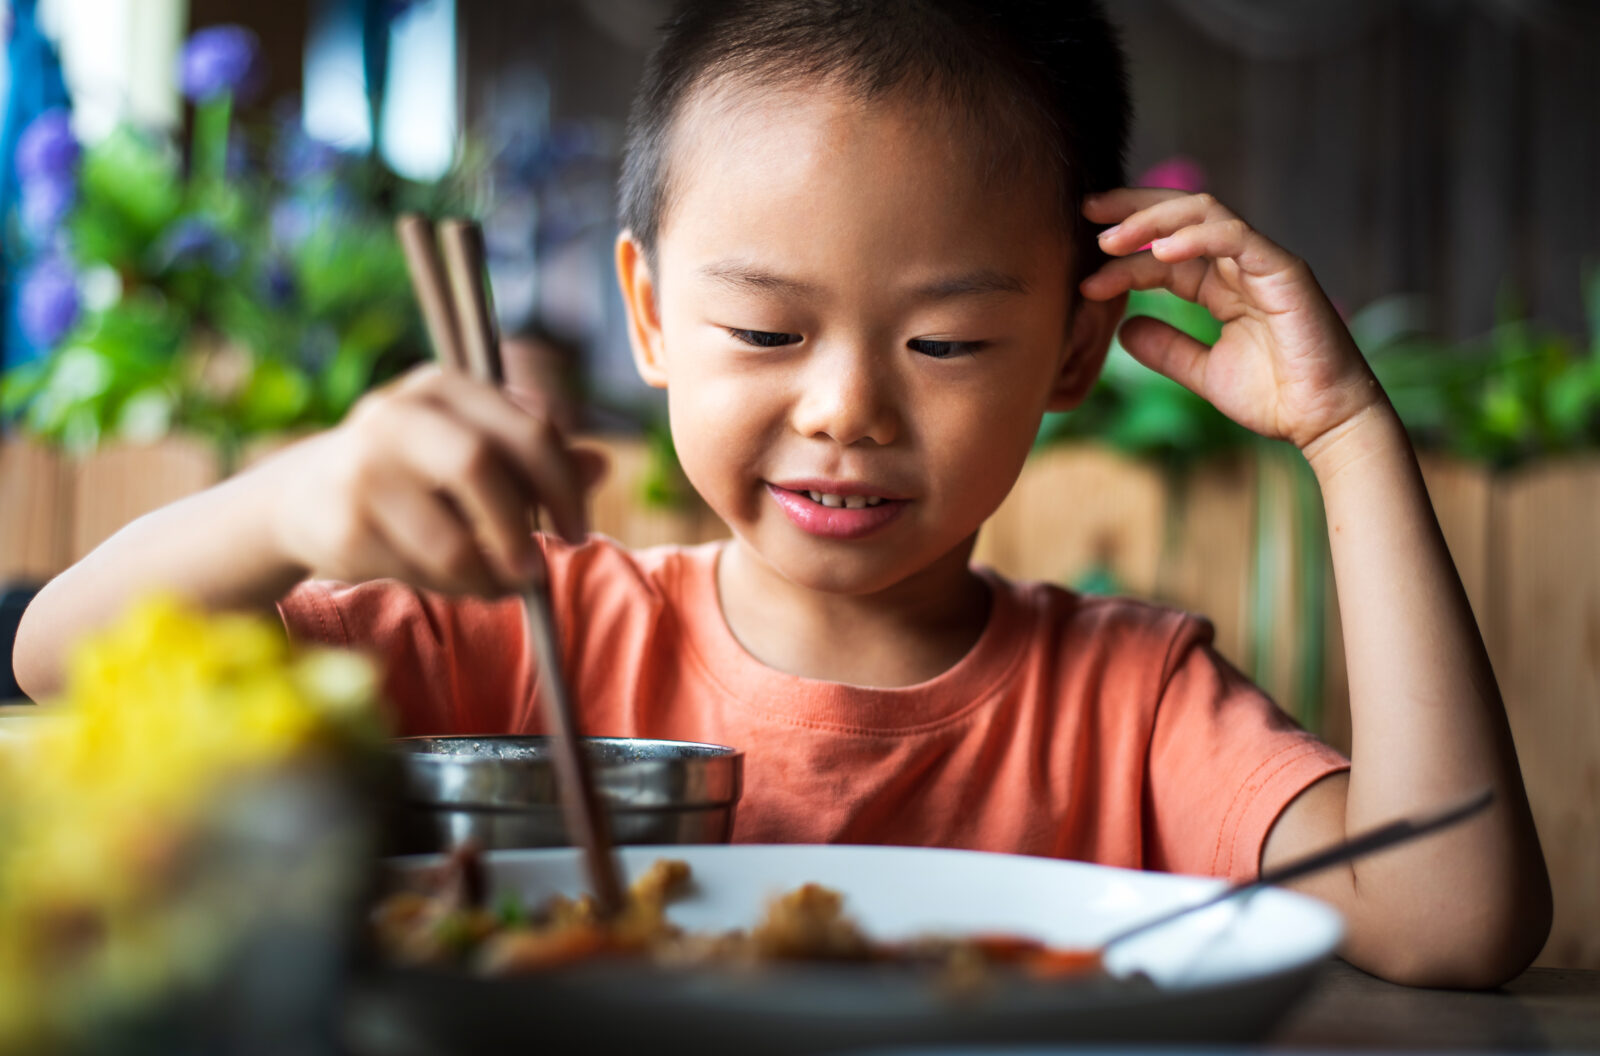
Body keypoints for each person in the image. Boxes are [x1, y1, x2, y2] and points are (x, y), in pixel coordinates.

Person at [13, 0, 1549, 986]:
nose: (846, 408)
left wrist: (1347, 431)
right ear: (651, 315)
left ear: (1078, 347)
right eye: (765, 330)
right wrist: (302, 502)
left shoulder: (1130, 703)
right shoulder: (518, 625)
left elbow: (1451, 920)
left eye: (946, 339)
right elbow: (61, 656)